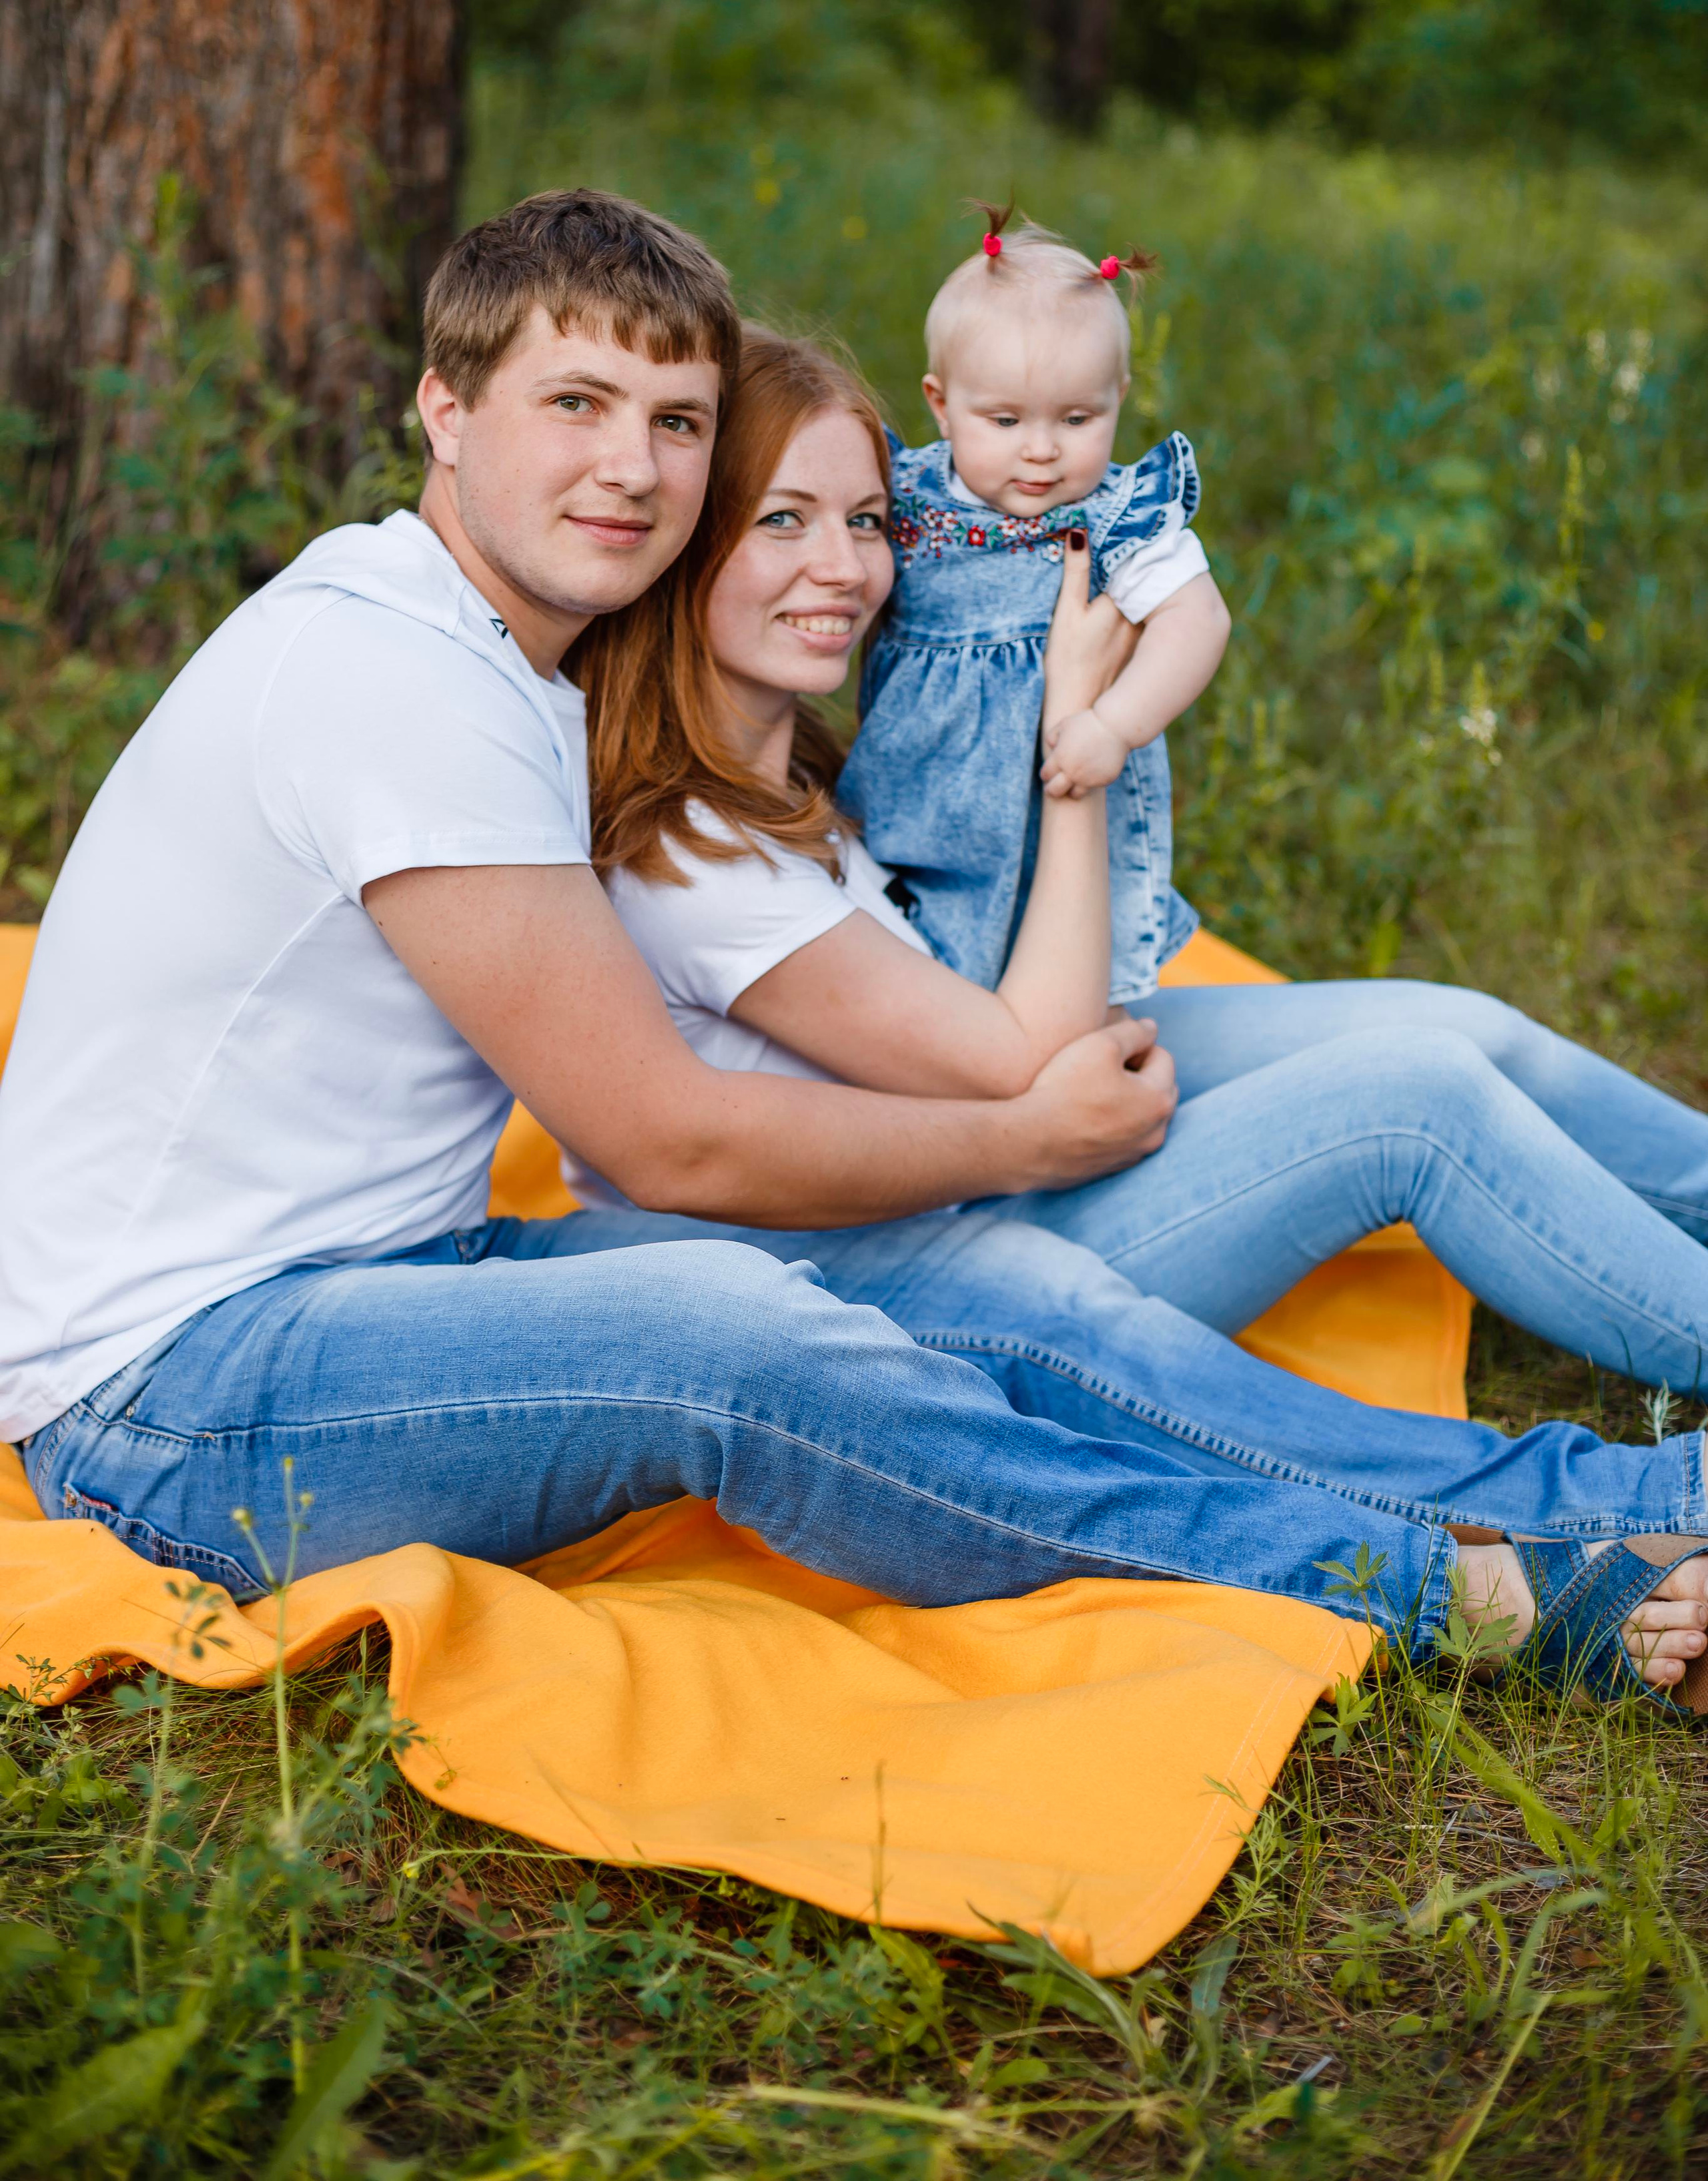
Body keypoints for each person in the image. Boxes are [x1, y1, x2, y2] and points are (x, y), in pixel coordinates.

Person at [3, 191, 1703, 1719]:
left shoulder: (502, 662)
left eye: (675, 421)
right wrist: (1023, 1135)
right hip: (173, 1394)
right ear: (442, 412)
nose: (632, 465)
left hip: (392, 1278)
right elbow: (666, 1137)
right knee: (731, 1330)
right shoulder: (397, 680)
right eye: (573, 404)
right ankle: (1466, 1600)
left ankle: (1619, 1502)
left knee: (979, 1285)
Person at [837, 206, 1230, 995]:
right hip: (918, 801)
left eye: (1078, 419)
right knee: (913, 964)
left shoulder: (1124, 518)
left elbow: (1198, 620)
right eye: (1005, 419)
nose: (1042, 449)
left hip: (1060, 792)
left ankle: (1084, 1054)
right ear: (941, 404)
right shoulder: (904, 492)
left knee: (1073, 978)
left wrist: (1113, 726)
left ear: (1119, 396)